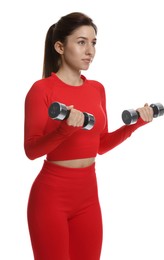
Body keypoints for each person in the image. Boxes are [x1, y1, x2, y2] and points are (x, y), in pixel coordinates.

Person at [24, 12, 153, 260]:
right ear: (60, 47)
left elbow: (100, 145)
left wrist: (133, 125)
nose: (90, 51)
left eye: (93, 43)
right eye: (81, 42)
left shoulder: (97, 89)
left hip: (87, 197)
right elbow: (31, 151)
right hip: (51, 197)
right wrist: (65, 129)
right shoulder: (41, 90)